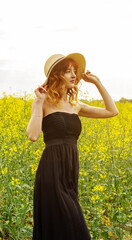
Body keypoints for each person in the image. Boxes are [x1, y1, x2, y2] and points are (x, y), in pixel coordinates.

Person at [26, 53, 119, 240]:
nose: (74, 75)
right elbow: (33, 135)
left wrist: (97, 83)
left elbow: (112, 111)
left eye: (74, 71)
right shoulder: (43, 103)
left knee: (66, 227)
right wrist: (38, 102)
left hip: (69, 170)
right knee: (74, 226)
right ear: (56, 75)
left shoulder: (76, 105)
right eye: (68, 71)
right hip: (51, 171)